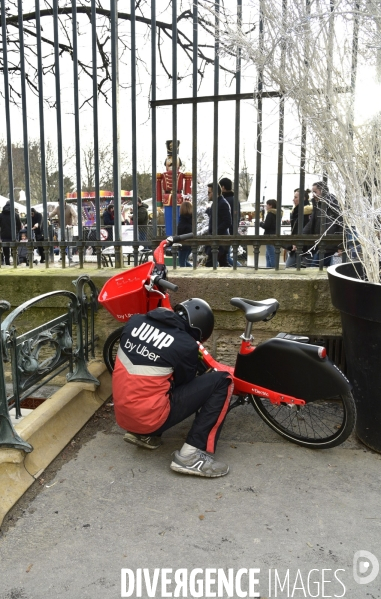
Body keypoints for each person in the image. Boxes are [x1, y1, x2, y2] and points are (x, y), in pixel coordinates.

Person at [112, 299, 233, 477]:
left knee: (152, 379)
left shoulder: (135, 321)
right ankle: (190, 456)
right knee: (223, 381)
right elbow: (185, 382)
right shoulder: (185, 344)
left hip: (124, 417)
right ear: (197, 330)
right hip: (149, 419)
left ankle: (142, 435)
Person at [302, 181, 343, 267]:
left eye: (315, 192)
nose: (313, 195)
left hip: (328, 244)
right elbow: (312, 223)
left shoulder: (332, 203)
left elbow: (341, 223)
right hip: (321, 243)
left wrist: (341, 246)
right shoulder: (318, 204)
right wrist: (301, 236)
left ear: (322, 191)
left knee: (313, 269)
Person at [205, 182, 232, 267]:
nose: (208, 194)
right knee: (222, 263)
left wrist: (215, 231)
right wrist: (209, 211)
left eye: (209, 192)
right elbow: (217, 218)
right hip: (218, 240)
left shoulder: (222, 203)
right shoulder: (216, 203)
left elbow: (227, 222)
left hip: (220, 240)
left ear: (215, 193)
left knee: (211, 264)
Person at [285, 189, 312, 268]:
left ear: (303, 198)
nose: (293, 199)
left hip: (304, 246)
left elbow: (304, 228)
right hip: (297, 244)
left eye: (295, 197)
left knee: (291, 267)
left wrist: (296, 241)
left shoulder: (306, 212)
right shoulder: (296, 211)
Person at [219, 177, 241, 266]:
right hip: (232, 230)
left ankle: (240, 269)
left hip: (226, 231)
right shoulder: (234, 199)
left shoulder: (225, 201)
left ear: (223, 187)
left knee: (225, 257)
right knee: (225, 256)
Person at [0, 201, 22, 265]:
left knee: (5, 250)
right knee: (14, 250)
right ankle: (16, 263)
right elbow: (19, 225)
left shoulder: (1, 215)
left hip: (4, 234)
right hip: (14, 234)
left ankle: (7, 263)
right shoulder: (15, 215)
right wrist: (17, 231)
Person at [260, 199, 278, 267]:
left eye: (267, 205)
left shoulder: (270, 214)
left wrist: (260, 223)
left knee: (271, 256)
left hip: (268, 236)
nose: (266, 206)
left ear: (270, 205)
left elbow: (266, 226)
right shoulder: (277, 214)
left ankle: (273, 269)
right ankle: (268, 268)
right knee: (268, 255)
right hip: (274, 235)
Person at [177, 200, 192, 267]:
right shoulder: (191, 219)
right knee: (184, 260)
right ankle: (192, 270)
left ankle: (185, 275)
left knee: (182, 262)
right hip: (190, 243)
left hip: (183, 244)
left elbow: (179, 231)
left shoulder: (182, 220)